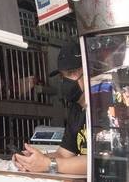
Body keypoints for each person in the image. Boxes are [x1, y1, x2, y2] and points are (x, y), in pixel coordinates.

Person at [15, 44, 87, 175]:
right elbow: (64, 154)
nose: (65, 81)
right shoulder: (75, 110)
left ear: (88, 71)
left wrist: (48, 164)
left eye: (71, 72)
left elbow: (98, 161)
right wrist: (34, 161)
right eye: (62, 76)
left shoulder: (103, 106)